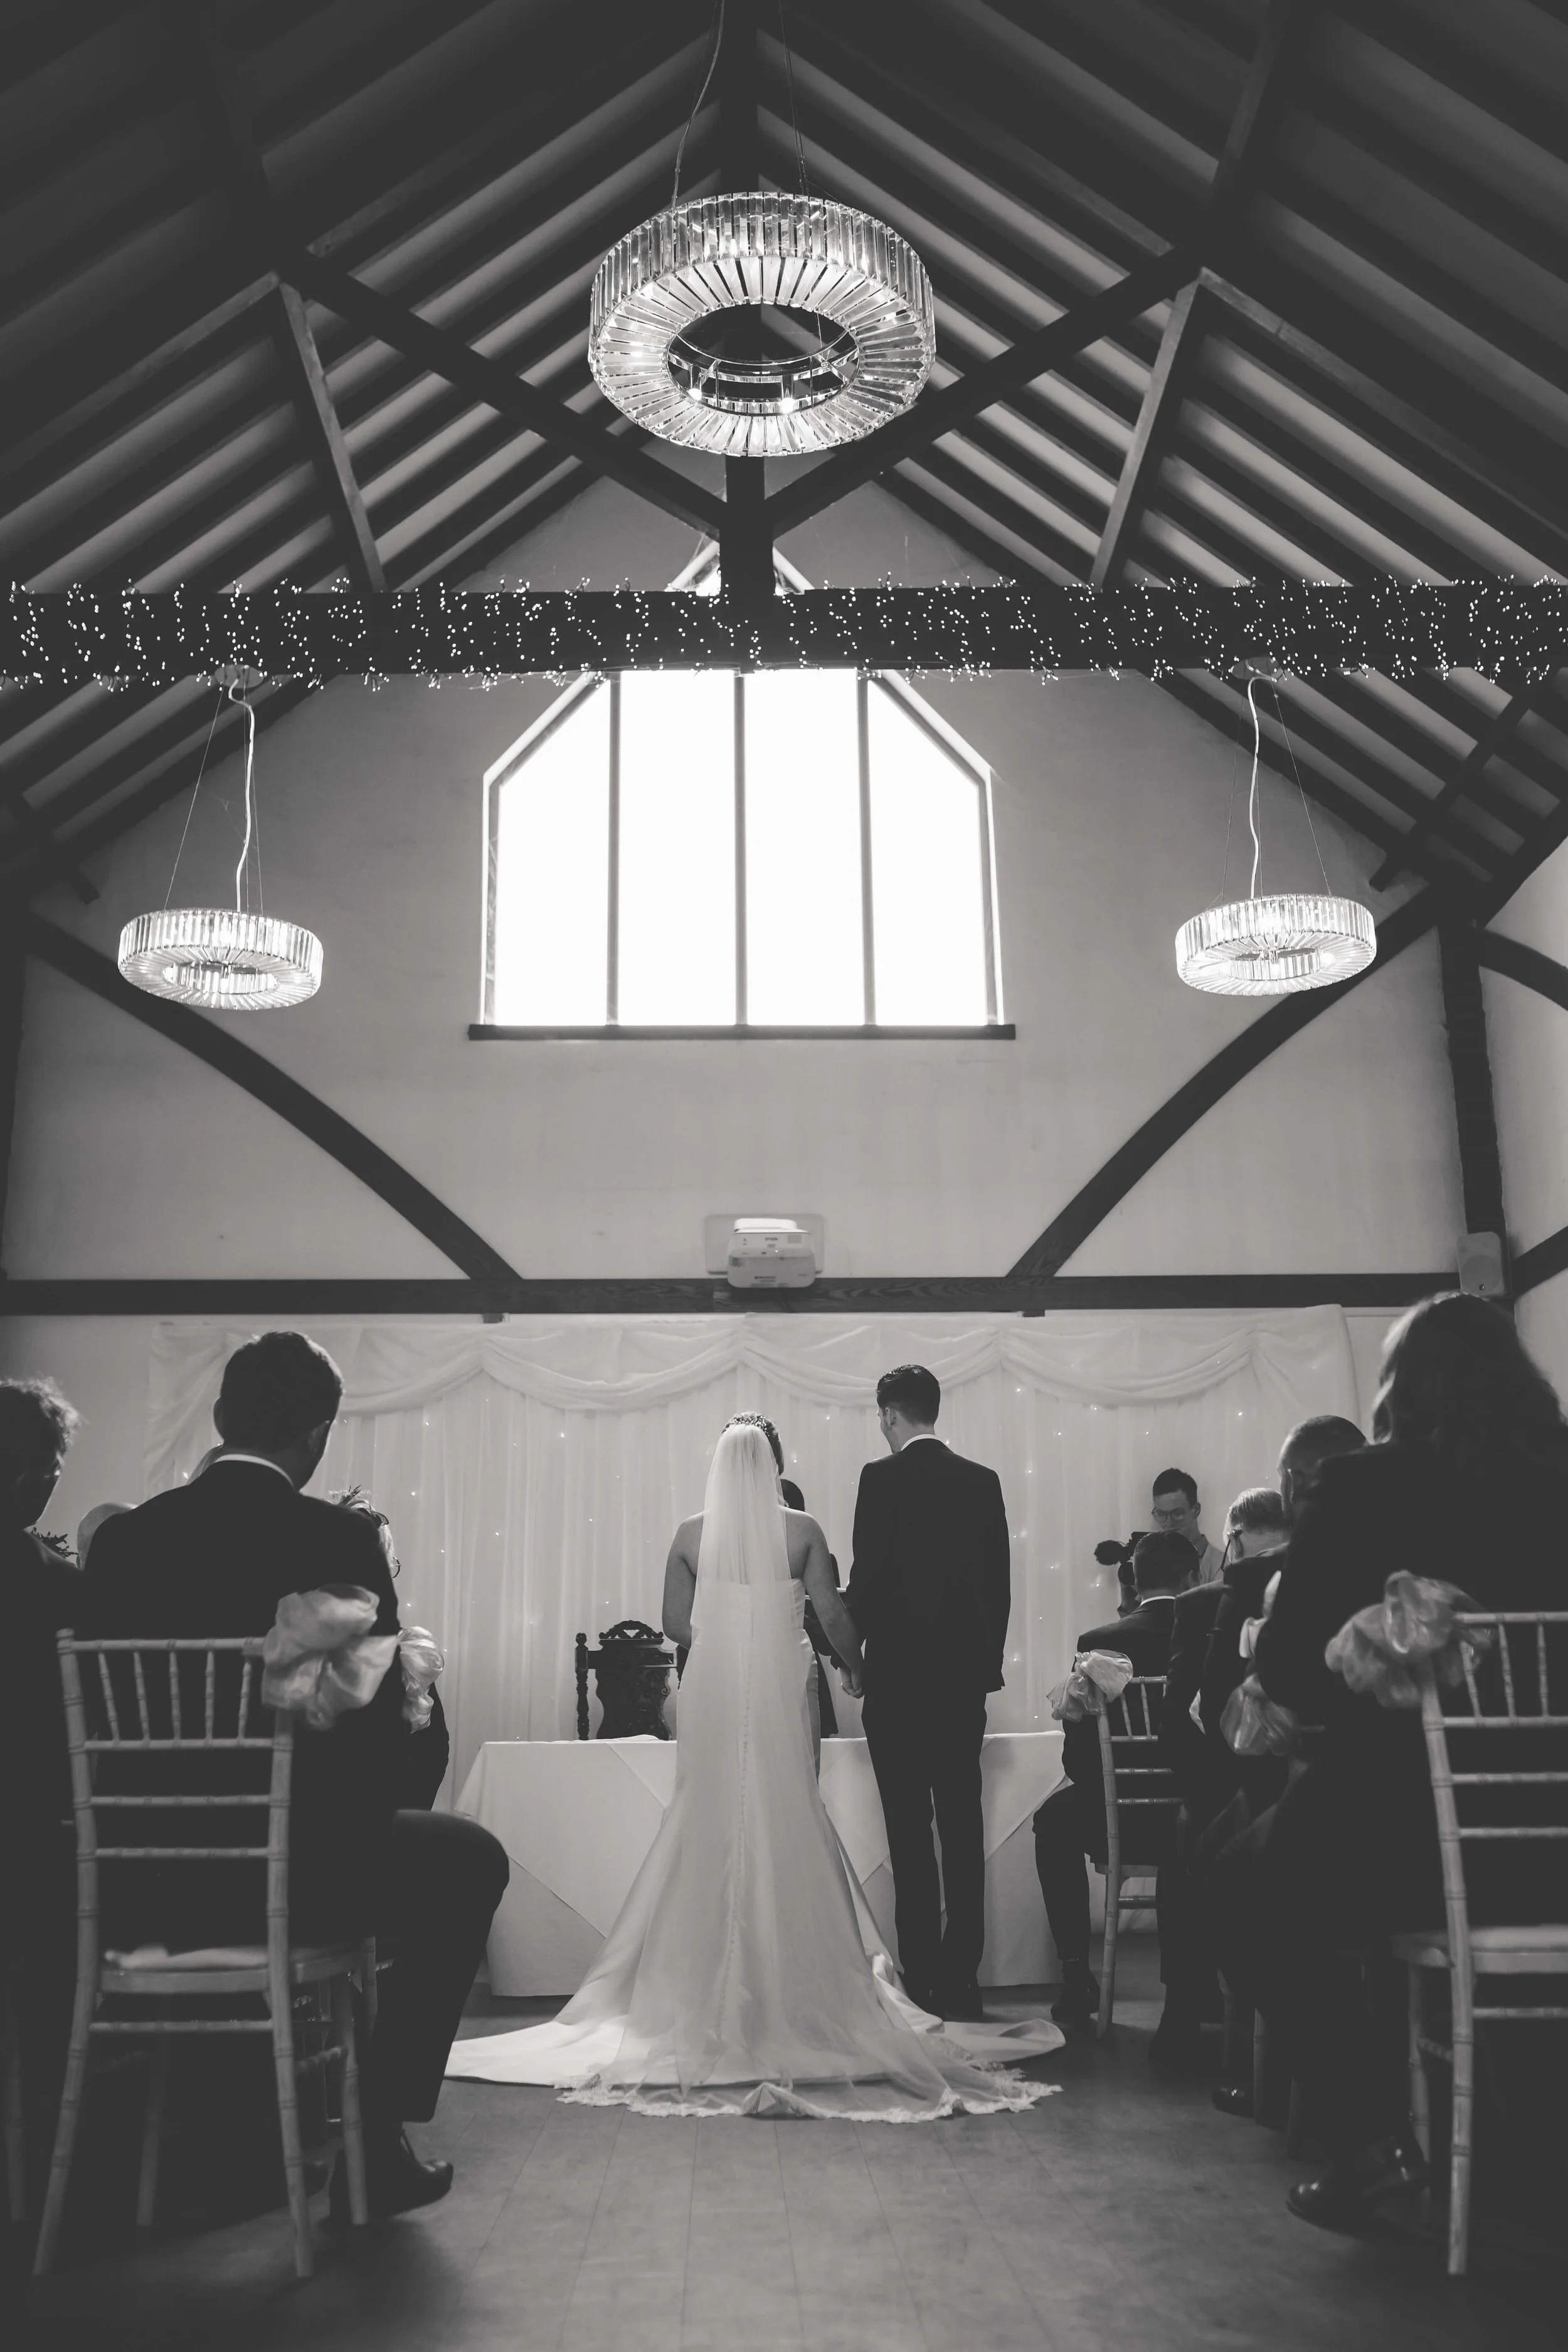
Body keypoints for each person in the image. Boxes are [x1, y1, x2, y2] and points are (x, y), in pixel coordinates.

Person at [444, 1419, 1061, 2115]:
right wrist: (857, 1668)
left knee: (710, 1808)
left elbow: (674, 1624)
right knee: (786, 1802)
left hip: (714, 1679)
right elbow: (829, 1612)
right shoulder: (801, 1529)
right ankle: (798, 1978)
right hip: (779, 1673)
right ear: (774, 1464)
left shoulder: (688, 1534)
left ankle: (699, 1981)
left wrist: (727, 1632)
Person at [77, 1332, 508, 2218]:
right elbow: (382, 1731)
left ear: (220, 1416)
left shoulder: (125, 1543)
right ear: (316, 1434)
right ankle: (373, 2134)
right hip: (298, 1883)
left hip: (140, 1883)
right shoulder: (337, 1537)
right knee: (470, 1859)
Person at [1241, 1296, 1568, 2229]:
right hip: (1556, 1843)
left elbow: (1288, 1666)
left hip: (1406, 1825)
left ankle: (1371, 2141)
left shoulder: (1365, 1485)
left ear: (1401, 1387)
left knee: (1253, 1895)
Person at [843, 1365, 1012, 2021]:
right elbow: (996, 1588)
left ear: (889, 1415)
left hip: (897, 1684)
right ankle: (963, 1981)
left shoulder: (878, 1480)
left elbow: (868, 1578)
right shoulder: (981, 1481)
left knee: (910, 1836)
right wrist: (983, 1668)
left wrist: (850, 1656)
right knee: (962, 1829)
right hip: (960, 1687)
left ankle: (919, 1979)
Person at [1032, 1530, 1192, 2038]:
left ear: (1134, 1583)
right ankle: (1196, 1986)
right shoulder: (1206, 1632)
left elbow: (1079, 1760)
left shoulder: (1100, 1644)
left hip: (1116, 1818)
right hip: (1189, 1819)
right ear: (1191, 1578)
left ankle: (1076, 1970)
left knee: (1053, 1820)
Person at [2, 1379, 84, 2226]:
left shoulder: (58, 1577)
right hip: (36, 1846)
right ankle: (57, 2166)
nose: (37, 1482)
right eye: (23, 1466)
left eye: (48, 1466)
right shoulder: (58, 1586)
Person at [727, 1411, 842, 1740]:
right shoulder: (807, 1536)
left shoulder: (709, 1544)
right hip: (790, 1665)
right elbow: (831, 1619)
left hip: (738, 1668)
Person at [1150, 1468, 1224, 1584]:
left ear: (1196, 1510)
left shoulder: (1221, 1565)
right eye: (1162, 1514)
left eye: (1177, 1513)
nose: (1169, 1523)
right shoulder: (1154, 1563)